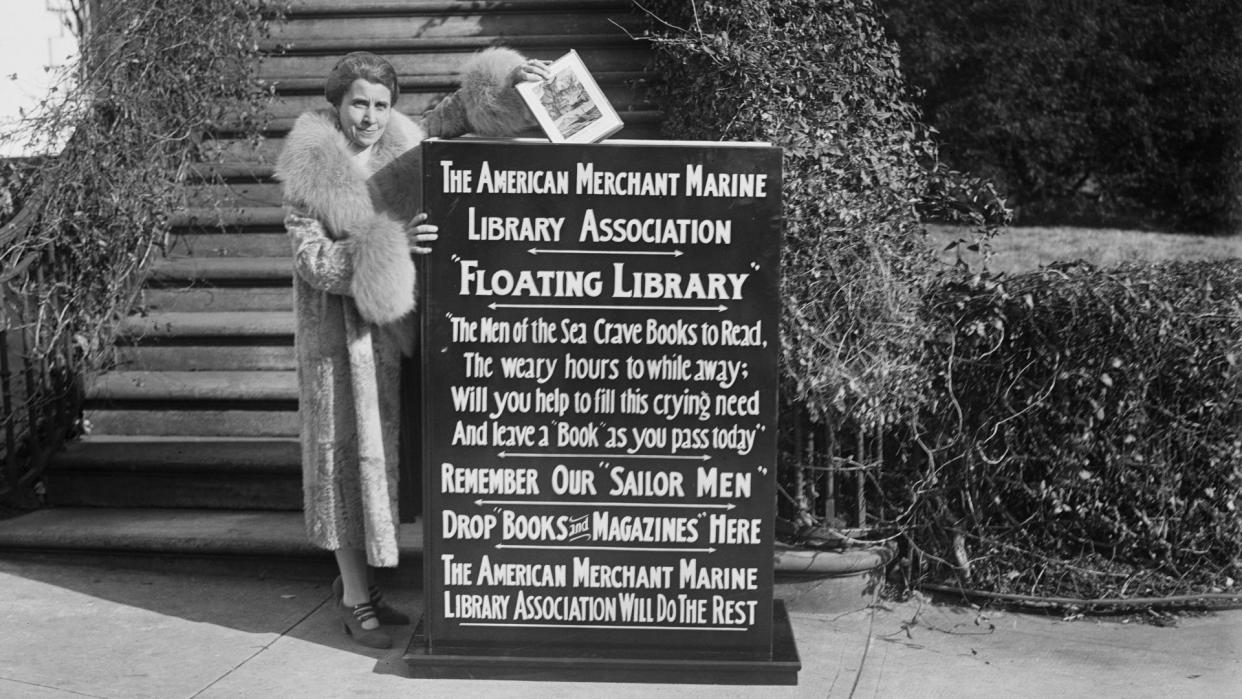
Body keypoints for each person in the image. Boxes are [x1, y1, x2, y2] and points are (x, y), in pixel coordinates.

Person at [274, 48, 548, 649]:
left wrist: (511, 81)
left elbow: (458, 113)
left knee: (394, 464)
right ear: (336, 104)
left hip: (402, 334)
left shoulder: (406, 140)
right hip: (338, 343)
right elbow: (312, 261)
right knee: (345, 463)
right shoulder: (308, 172)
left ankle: (370, 592)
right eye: (358, 104)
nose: (369, 117)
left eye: (380, 104)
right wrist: (392, 243)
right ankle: (353, 597)